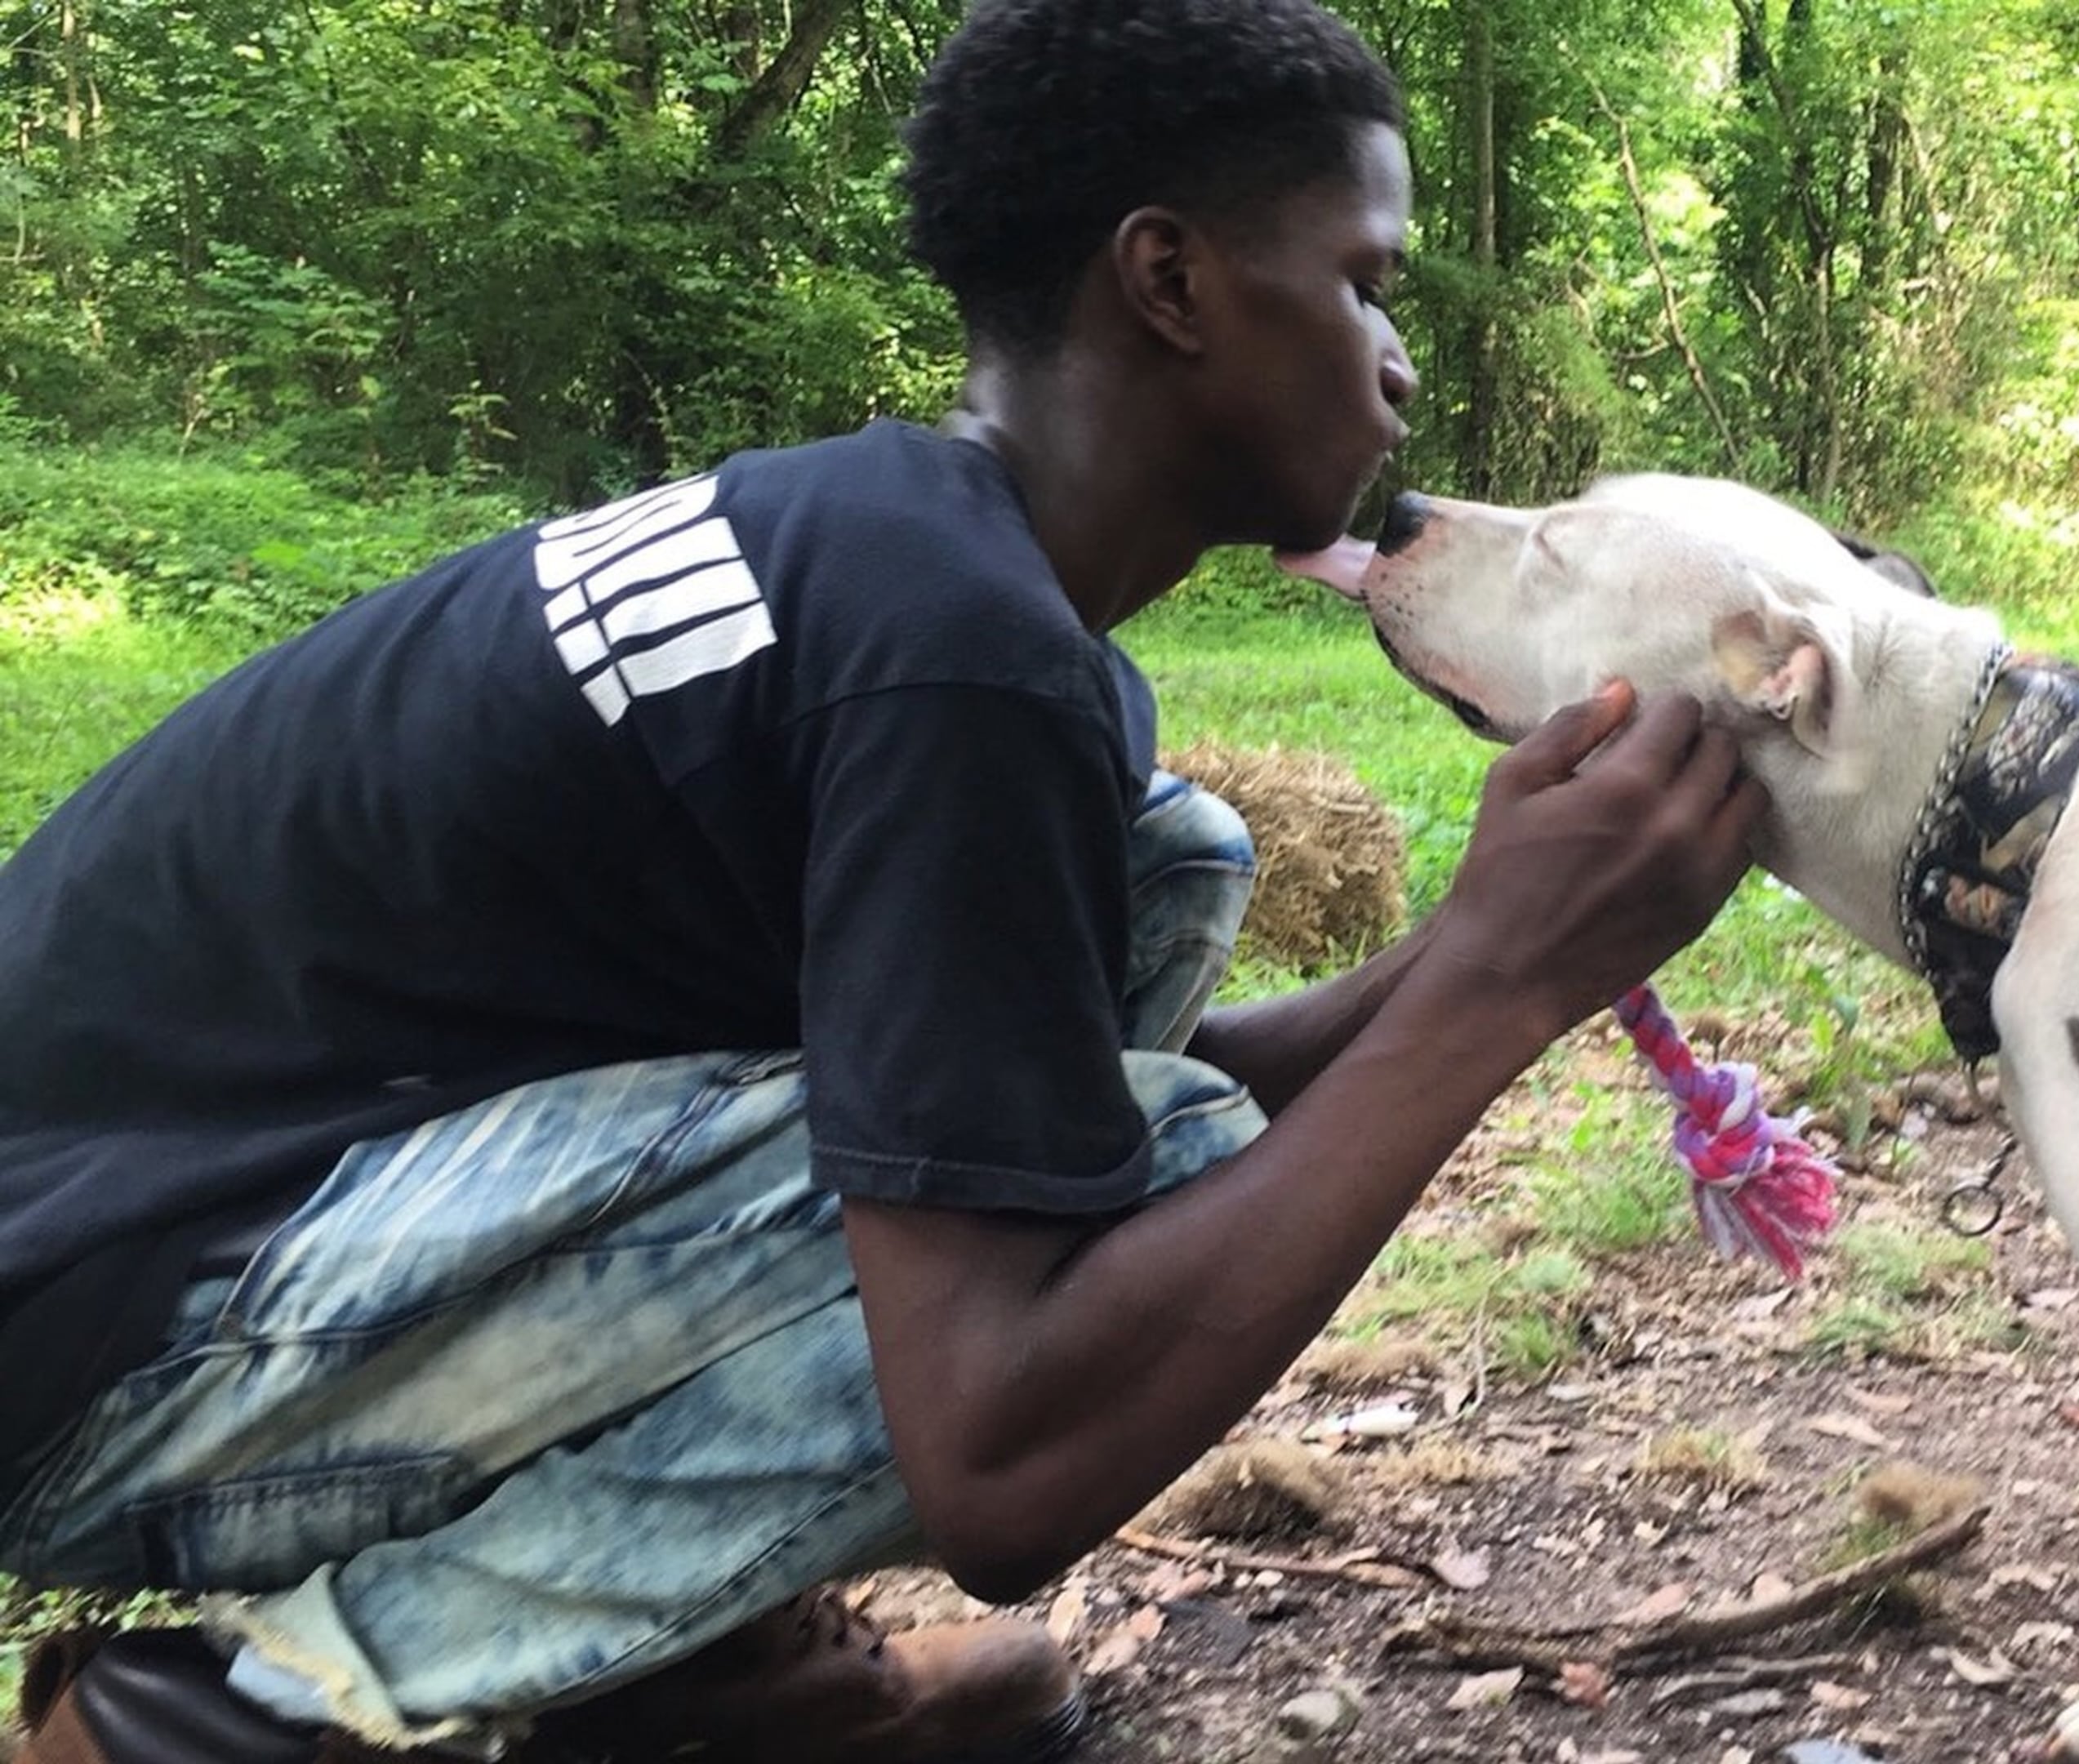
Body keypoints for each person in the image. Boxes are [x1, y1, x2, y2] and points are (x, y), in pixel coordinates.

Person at [0, 0, 1764, 1757]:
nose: (1395, 360)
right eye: (1363, 281)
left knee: (1168, 869)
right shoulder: (948, 654)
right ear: (1170, 283)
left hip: (189, 1241)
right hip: (96, 1340)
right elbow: (1000, 1459)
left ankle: (681, 1680)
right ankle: (242, 1719)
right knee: (1177, 1175)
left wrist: (1480, 933)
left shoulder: (897, 567)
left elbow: (998, 1123)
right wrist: (1500, 988)